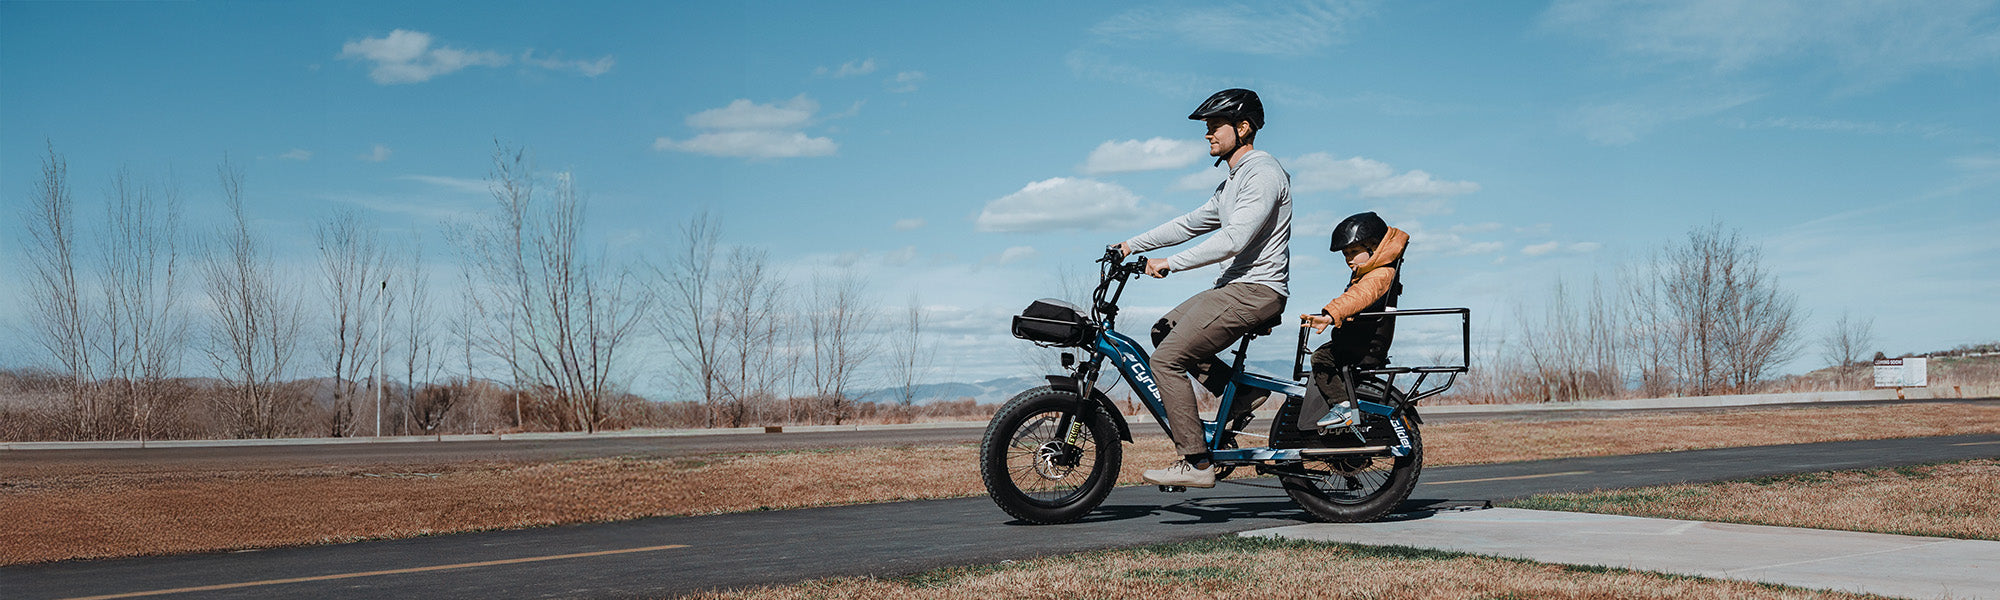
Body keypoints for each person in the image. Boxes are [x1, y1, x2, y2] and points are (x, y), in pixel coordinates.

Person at [1114, 88, 1291, 489]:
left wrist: (1171, 264)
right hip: (1232, 287)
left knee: (1165, 361)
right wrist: (1131, 244)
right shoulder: (1232, 181)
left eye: (1214, 126)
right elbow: (1190, 222)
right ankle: (1242, 398)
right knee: (1163, 331)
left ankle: (1195, 461)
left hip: (1256, 290)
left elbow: (1234, 238)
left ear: (1243, 128)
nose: (1207, 135)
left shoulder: (1262, 173)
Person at [1300, 211, 1407, 429]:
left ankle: (1343, 406)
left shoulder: (1379, 275)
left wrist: (1330, 315)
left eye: (1354, 251)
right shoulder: (1371, 273)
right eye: (1346, 254)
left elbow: (1357, 298)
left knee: (1321, 359)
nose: (1349, 258)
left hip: (1363, 344)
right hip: (1361, 340)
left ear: (1375, 247)